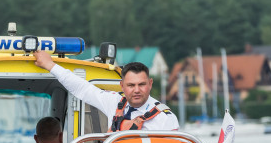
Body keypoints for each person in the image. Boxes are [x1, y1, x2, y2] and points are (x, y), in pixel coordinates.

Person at [33, 52, 178, 132]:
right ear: (122, 86)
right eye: (131, 85)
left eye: (142, 84)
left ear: (150, 84)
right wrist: (49, 65)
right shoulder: (114, 102)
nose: (137, 90)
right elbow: (82, 88)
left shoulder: (165, 118)